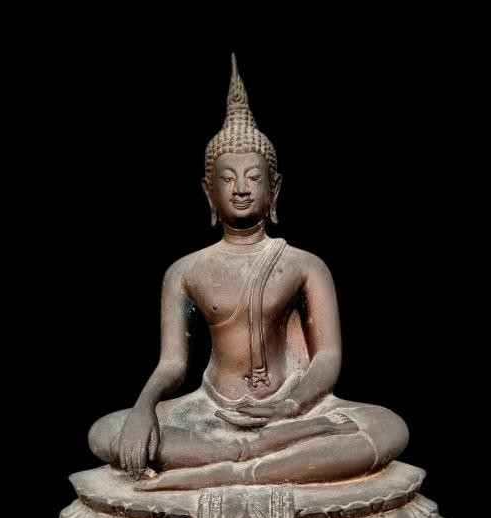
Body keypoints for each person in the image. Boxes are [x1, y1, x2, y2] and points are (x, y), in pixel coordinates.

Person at [88, 55, 409, 491]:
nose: (241, 188)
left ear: (274, 188)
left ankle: (234, 466)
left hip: (291, 412)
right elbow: (173, 363)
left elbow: (328, 358)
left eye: (254, 177)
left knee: (387, 427)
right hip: (211, 413)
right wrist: (144, 407)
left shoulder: (305, 265)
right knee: (107, 431)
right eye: (228, 178)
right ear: (209, 192)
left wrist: (289, 406)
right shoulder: (185, 271)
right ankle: (255, 455)